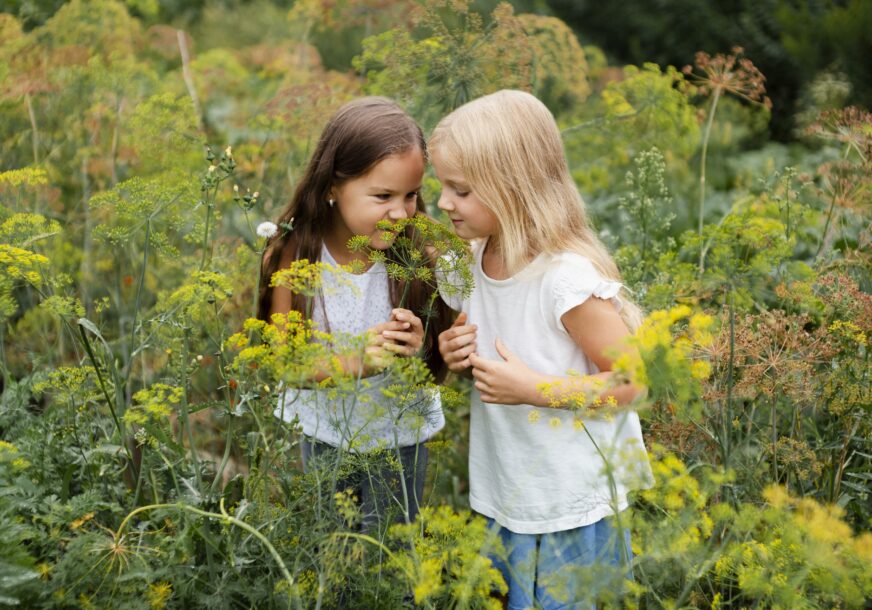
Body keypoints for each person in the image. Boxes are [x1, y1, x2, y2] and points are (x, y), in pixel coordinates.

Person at [432, 90, 653, 609]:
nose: (443, 203)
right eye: (442, 186)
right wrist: (453, 353)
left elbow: (633, 383)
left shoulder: (564, 279)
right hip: (510, 488)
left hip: (571, 502)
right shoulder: (467, 264)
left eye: (460, 190)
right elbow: (489, 363)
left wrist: (535, 389)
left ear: (513, 189)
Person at [258, 96, 452, 532]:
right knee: (334, 553)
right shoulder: (295, 253)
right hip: (325, 435)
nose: (401, 212)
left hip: (401, 436)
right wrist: (358, 362)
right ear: (331, 186)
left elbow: (443, 359)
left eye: (412, 195)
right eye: (382, 196)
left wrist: (419, 345)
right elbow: (285, 362)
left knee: (391, 555)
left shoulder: (419, 254)